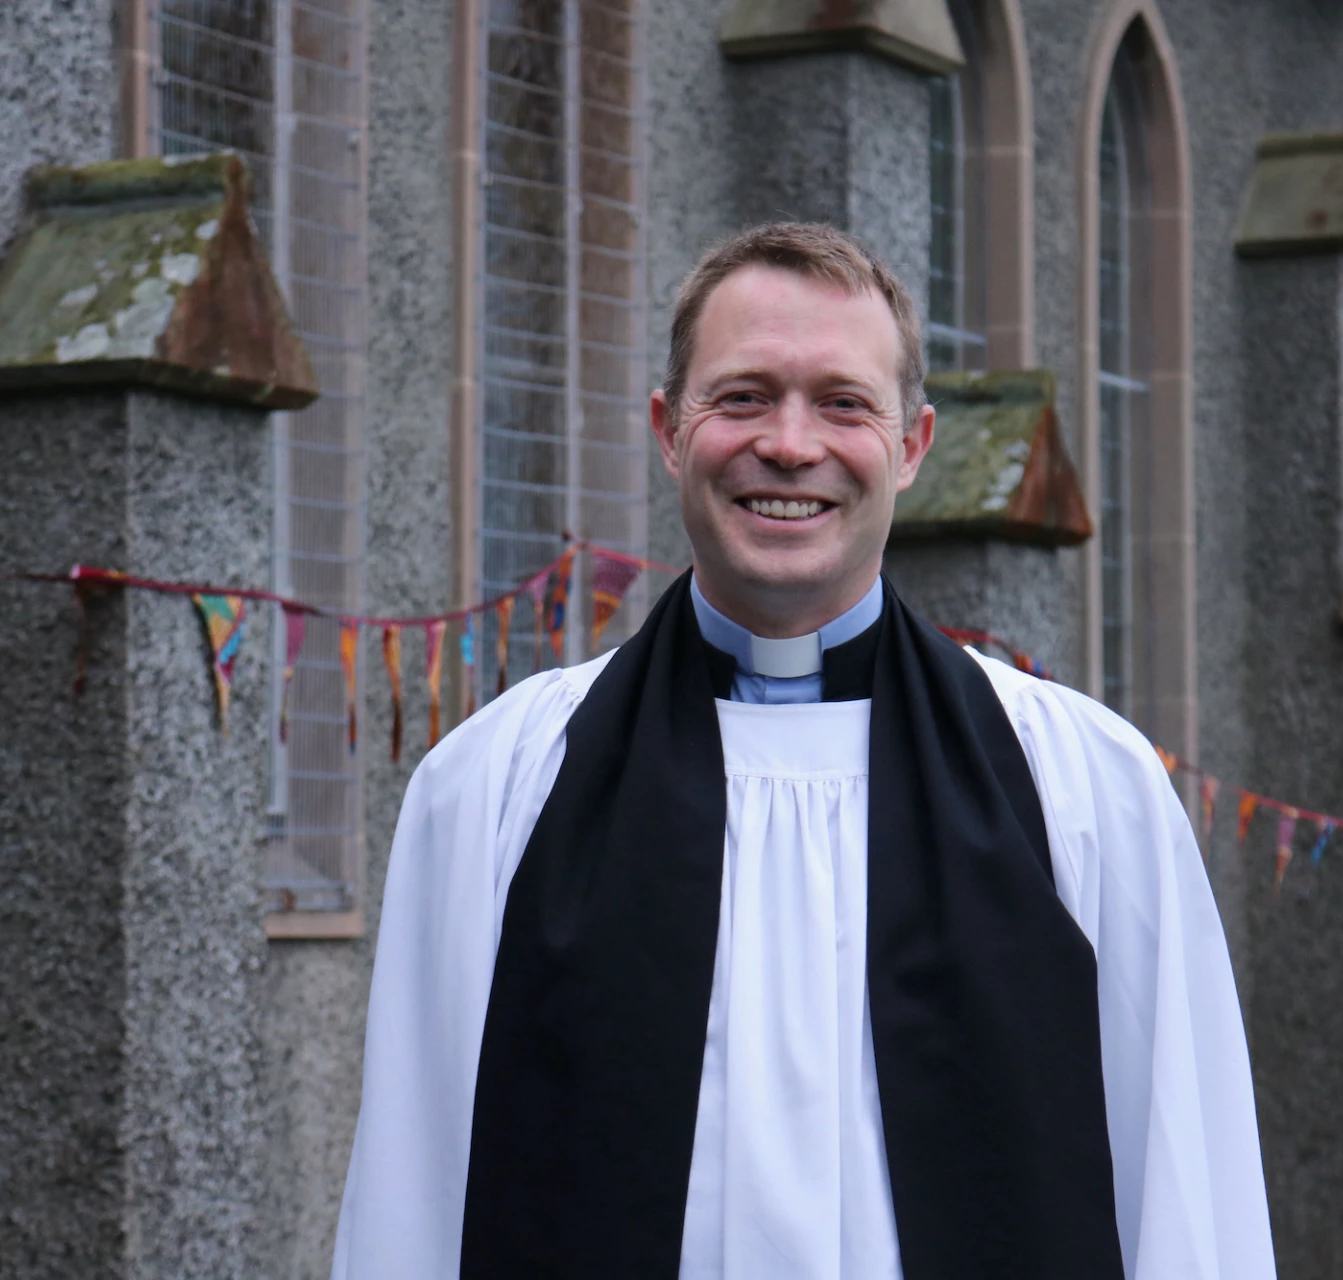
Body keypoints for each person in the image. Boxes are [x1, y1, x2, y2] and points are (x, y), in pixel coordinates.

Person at [331, 223, 1274, 1279]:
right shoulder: (497, 785)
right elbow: (413, 1196)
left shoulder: (1086, 789)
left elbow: (1188, 1200)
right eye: (741, 397)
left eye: (842, 401)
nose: (789, 443)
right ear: (668, 430)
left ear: (913, 445)